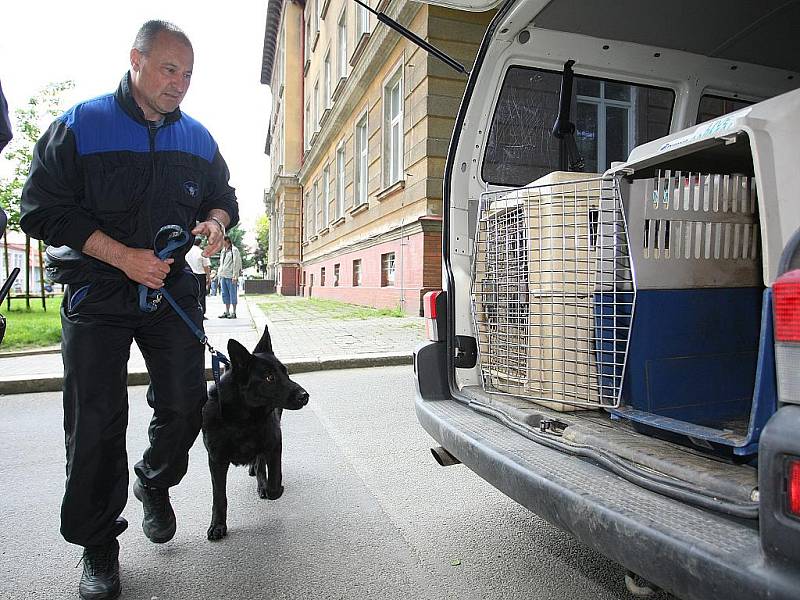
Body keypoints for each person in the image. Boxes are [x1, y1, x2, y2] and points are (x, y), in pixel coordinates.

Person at [19, 21, 238, 600]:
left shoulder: (197, 137)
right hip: (98, 292)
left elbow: (226, 196)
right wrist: (122, 258)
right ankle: (98, 545)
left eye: (188, 74)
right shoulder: (81, 125)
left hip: (169, 291)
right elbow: (40, 210)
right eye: (170, 69)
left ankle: (153, 481)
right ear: (135, 61)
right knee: (96, 421)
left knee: (189, 403)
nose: (181, 84)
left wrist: (215, 224)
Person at [185, 237, 211, 317]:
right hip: (200, 275)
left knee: (190, 294)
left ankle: (190, 312)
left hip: (188, 274)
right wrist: (208, 277)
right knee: (201, 295)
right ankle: (201, 313)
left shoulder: (187, 252)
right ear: (200, 243)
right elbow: (206, 266)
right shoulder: (201, 252)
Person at [217, 235, 241, 319]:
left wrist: (235, 276)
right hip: (223, 275)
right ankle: (227, 311)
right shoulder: (223, 251)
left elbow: (237, 263)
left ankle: (234, 312)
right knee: (224, 294)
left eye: (222, 241)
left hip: (231, 276)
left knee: (232, 294)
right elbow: (221, 264)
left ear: (227, 241)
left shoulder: (234, 250)